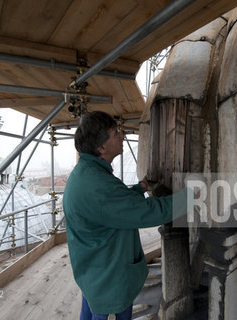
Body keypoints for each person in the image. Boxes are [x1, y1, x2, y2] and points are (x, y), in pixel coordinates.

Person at [62, 111, 189, 320]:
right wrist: (190, 197)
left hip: (95, 272)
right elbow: (146, 212)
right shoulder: (97, 185)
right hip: (109, 276)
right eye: (115, 134)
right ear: (101, 148)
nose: (122, 136)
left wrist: (137, 191)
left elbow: (110, 206)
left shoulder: (88, 173)